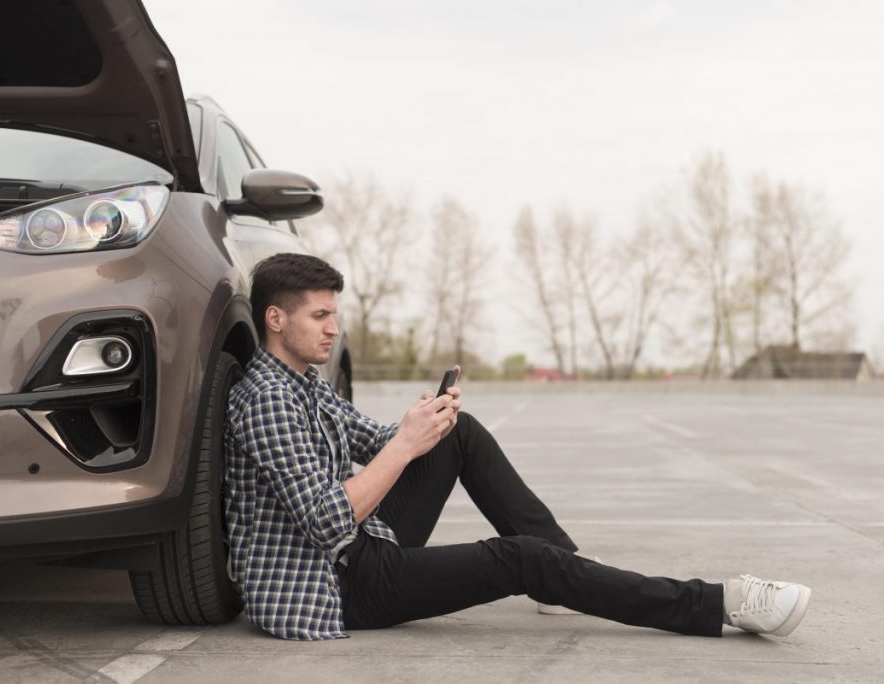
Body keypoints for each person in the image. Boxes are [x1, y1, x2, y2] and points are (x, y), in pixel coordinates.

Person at [223, 253, 812, 641]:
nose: (333, 327)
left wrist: (427, 422)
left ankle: (565, 574)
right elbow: (329, 520)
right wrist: (404, 446)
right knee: (522, 559)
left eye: (335, 314)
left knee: (462, 433)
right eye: (320, 315)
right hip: (333, 586)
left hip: (359, 549)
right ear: (276, 318)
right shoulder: (267, 399)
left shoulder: (303, 385)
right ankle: (718, 604)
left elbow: (378, 441)